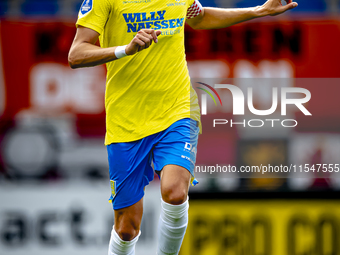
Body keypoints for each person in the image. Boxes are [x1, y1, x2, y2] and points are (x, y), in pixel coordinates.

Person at [68, 0, 297, 254]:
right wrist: (125, 49)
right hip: (127, 121)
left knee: (175, 192)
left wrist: (259, 10)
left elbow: (198, 17)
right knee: (126, 228)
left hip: (177, 110)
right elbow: (76, 54)